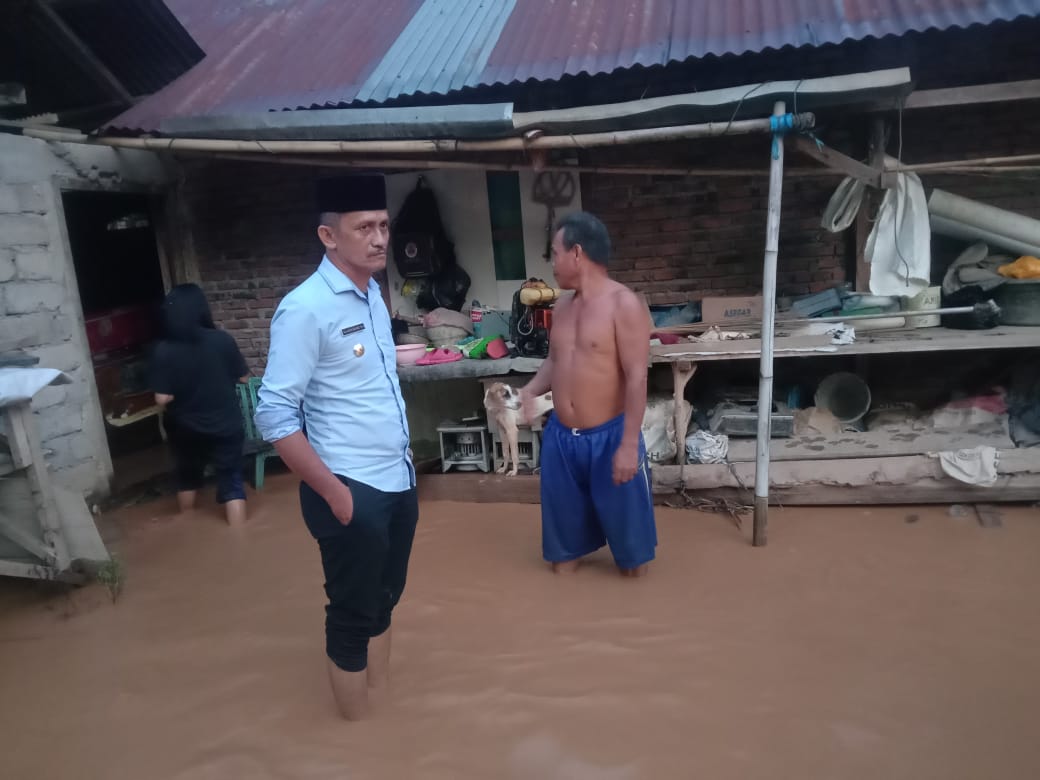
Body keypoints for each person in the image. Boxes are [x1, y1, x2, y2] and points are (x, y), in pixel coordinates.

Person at [254, 174, 417, 721]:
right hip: (350, 488)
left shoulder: (372, 294)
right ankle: (357, 740)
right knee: (351, 615)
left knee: (385, 601)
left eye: (384, 226)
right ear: (329, 236)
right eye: (364, 227)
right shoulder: (305, 308)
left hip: (397, 479)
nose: (379, 239)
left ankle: (383, 709)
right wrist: (333, 492)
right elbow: (274, 417)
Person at [519, 212, 656, 577]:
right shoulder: (561, 306)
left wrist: (629, 444)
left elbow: (637, 379)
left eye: (554, 253)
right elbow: (554, 360)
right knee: (561, 563)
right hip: (562, 441)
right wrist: (531, 390)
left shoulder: (624, 304)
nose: (552, 264)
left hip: (610, 438)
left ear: (576, 253)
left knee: (632, 563)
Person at [149, 283, 250, 527]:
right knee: (231, 480)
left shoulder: (164, 350)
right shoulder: (223, 340)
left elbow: (161, 398)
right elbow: (244, 378)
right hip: (226, 424)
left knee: (187, 478)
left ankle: (188, 526)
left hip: (186, 428)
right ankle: (240, 536)